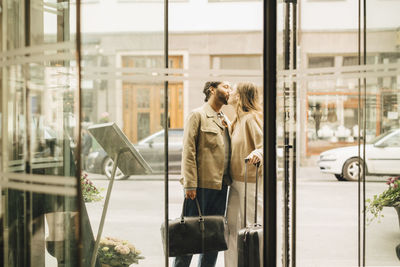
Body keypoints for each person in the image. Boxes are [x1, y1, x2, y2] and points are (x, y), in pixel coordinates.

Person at [174, 81, 232, 267]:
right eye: (226, 86)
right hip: (199, 187)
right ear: (212, 90)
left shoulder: (225, 119)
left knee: (213, 238)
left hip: (221, 186)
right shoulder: (197, 115)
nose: (229, 91)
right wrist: (189, 184)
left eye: (231, 88)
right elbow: (188, 151)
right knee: (190, 234)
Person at [224, 82, 263, 267]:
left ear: (239, 96)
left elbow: (264, 145)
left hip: (250, 182)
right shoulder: (237, 121)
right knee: (231, 229)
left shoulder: (251, 118)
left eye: (233, 90)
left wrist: (257, 153)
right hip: (235, 182)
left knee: (251, 228)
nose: (230, 92)